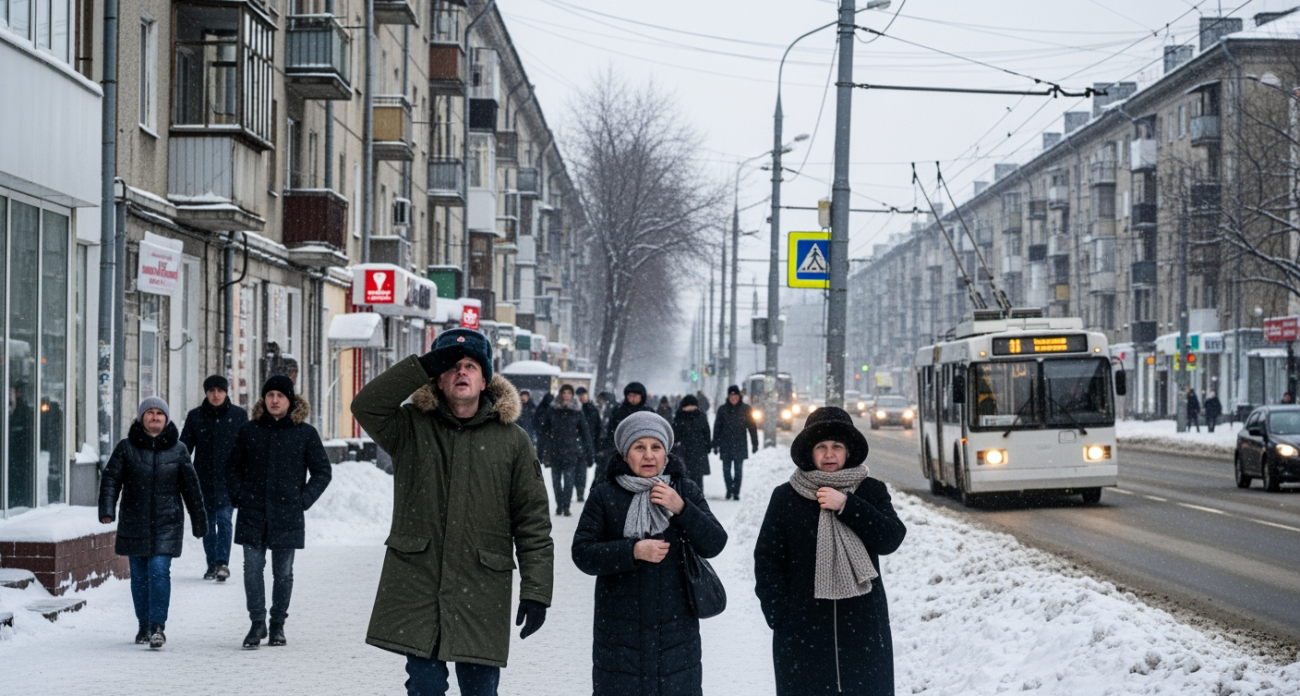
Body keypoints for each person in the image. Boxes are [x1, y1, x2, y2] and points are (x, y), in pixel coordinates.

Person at [351, 328, 553, 696]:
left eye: (471, 365)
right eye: (451, 366)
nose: (462, 372)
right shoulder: (409, 426)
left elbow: (533, 522)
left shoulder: (513, 440)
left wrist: (537, 591)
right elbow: (365, 405)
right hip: (419, 585)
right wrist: (420, 366)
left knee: (480, 691)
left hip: (482, 588)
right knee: (425, 688)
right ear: (438, 379)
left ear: (485, 378)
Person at [754, 406, 907, 696]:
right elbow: (768, 560)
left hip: (862, 628)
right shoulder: (786, 497)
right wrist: (779, 615)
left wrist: (848, 505)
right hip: (802, 632)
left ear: (848, 451)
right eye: (821, 447)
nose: (829, 454)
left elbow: (891, 538)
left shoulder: (870, 491)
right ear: (809, 453)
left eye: (837, 446)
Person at [572, 412, 727, 696]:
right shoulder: (605, 495)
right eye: (639, 447)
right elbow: (583, 553)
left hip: (676, 629)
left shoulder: (684, 490)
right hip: (619, 629)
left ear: (666, 452)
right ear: (625, 453)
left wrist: (682, 509)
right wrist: (632, 550)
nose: (648, 455)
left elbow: (715, 543)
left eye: (655, 447)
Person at [226, 375, 332, 649]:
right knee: (252, 569)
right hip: (252, 512)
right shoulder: (249, 431)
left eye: (280, 396)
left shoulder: (305, 433)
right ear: (264, 399)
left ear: (290, 400)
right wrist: (239, 495)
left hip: (287, 513)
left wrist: (303, 499)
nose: (275, 400)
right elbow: (232, 468)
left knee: (283, 573)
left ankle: (277, 625)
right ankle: (257, 622)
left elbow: (322, 471)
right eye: (270, 395)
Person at [99, 396, 206, 649]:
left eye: (160, 413)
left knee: (159, 571)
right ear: (141, 417)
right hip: (134, 521)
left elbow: (191, 488)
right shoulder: (126, 448)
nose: (155, 417)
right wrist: (107, 509)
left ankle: (158, 627)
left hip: (167, 522)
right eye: (150, 413)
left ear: (166, 419)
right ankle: (143, 624)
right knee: (139, 576)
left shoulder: (178, 450)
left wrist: (199, 521)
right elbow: (111, 478)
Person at [180, 374, 249, 582]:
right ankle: (211, 564)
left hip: (229, 481)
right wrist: (184, 474)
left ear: (226, 392)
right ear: (206, 393)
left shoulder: (238, 416)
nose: (216, 394)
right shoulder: (195, 417)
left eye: (220, 390)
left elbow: (248, 449)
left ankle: (222, 563)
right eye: (212, 391)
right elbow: (184, 449)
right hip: (203, 480)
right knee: (208, 524)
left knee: (225, 520)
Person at [542, 384, 595, 515]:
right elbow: (544, 431)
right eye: (564, 392)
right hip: (555, 450)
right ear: (560, 394)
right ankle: (559, 505)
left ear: (572, 395)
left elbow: (585, 432)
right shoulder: (552, 409)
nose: (566, 395)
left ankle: (566, 506)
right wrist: (543, 449)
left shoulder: (577, 411)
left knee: (569, 480)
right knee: (555, 481)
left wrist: (589, 452)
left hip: (571, 450)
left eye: (568, 393)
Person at [593, 382, 652, 488]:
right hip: (619, 449)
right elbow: (612, 430)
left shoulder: (648, 412)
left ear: (641, 396)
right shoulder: (618, 411)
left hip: (642, 449)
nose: (633, 399)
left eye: (636, 396)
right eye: (630, 396)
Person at [712, 385, 759, 500]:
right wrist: (715, 444)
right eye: (731, 395)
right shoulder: (722, 409)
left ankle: (736, 491)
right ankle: (729, 489)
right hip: (725, 444)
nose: (733, 397)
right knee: (726, 470)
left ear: (739, 396)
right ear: (728, 396)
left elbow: (752, 427)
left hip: (740, 444)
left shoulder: (746, 409)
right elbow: (717, 428)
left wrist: (755, 443)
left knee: (738, 470)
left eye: (735, 395)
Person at [672, 395, 712, 490]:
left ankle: (698, 496)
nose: (691, 408)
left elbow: (706, 432)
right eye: (688, 405)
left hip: (699, 450)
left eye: (693, 405)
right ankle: (688, 496)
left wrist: (708, 445)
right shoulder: (679, 417)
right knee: (685, 475)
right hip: (683, 451)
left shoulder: (701, 416)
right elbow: (674, 433)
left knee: (698, 476)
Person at [577, 387, 603, 500]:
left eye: (584, 394)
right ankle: (578, 489)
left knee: (582, 469)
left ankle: (580, 491)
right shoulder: (575, 410)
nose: (582, 397)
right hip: (576, 442)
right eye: (580, 395)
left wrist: (596, 443)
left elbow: (598, 427)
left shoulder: (593, 409)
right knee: (575, 469)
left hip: (589, 442)